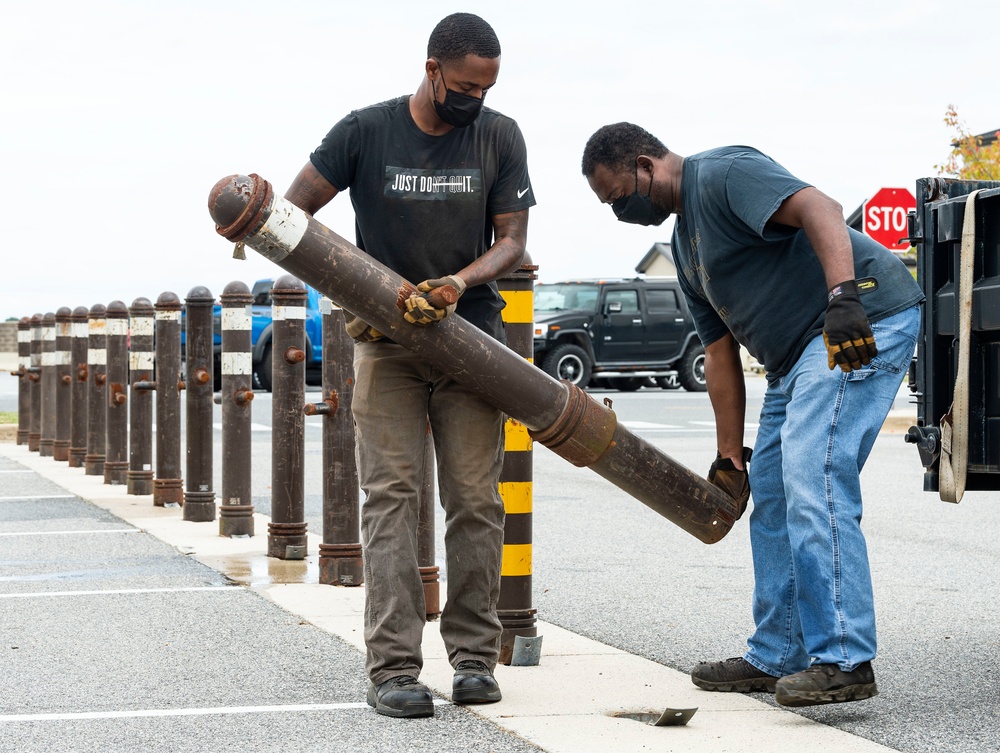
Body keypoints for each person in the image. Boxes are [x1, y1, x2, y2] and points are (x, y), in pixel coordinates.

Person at [581, 123, 923, 708]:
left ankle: (845, 658)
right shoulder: (686, 250)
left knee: (812, 470)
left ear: (644, 164)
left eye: (618, 197)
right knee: (769, 484)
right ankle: (778, 651)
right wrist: (729, 455)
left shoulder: (722, 173)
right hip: (794, 357)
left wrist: (844, 298)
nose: (620, 212)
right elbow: (719, 358)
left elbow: (821, 207)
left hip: (859, 319)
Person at [284, 13, 533, 718]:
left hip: (470, 343)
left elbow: (512, 241)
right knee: (391, 500)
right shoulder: (365, 132)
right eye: (463, 87)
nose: (474, 100)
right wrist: (355, 287)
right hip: (386, 344)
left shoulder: (499, 135)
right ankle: (393, 667)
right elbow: (296, 215)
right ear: (431, 70)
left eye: (485, 88)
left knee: (476, 500)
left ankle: (475, 659)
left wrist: (457, 282)